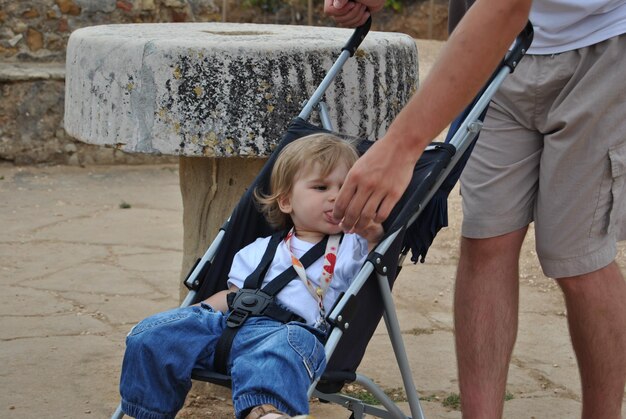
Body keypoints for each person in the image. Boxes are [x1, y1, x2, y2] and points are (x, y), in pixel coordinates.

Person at [325, 1, 626, 418]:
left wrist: (401, 146)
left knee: (577, 261)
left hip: (602, 42)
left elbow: (507, 6)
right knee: (487, 240)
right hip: (498, 52)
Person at [118, 133, 383, 419]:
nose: (336, 196)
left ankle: (266, 413)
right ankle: (149, 412)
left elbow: (371, 241)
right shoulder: (258, 249)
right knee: (153, 333)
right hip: (230, 328)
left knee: (277, 355)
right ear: (285, 201)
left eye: (346, 190)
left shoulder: (348, 248)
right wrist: (188, 317)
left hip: (288, 335)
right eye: (321, 187)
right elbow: (232, 296)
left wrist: (368, 227)